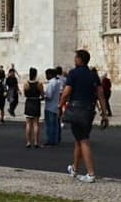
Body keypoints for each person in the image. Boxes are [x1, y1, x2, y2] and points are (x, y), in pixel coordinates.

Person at [59, 48, 106, 182]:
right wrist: (104, 114)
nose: (74, 60)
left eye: (75, 57)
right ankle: (74, 169)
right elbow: (100, 94)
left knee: (83, 140)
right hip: (89, 111)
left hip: (76, 110)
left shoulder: (73, 74)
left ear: (79, 59)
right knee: (79, 139)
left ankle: (91, 174)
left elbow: (67, 92)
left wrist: (60, 105)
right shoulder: (93, 75)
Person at [23, 67, 43, 147]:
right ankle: (36, 142)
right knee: (36, 124)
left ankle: (28, 142)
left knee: (28, 124)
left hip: (29, 102)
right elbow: (42, 94)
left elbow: (25, 94)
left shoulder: (26, 84)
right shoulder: (39, 84)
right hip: (36, 102)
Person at [43, 67, 62, 145]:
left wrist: (43, 95)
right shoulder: (58, 82)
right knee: (55, 125)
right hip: (55, 106)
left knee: (50, 125)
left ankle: (50, 140)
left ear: (50, 75)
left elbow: (49, 96)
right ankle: (56, 139)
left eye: (46, 75)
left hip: (50, 107)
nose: (46, 77)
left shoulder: (51, 83)